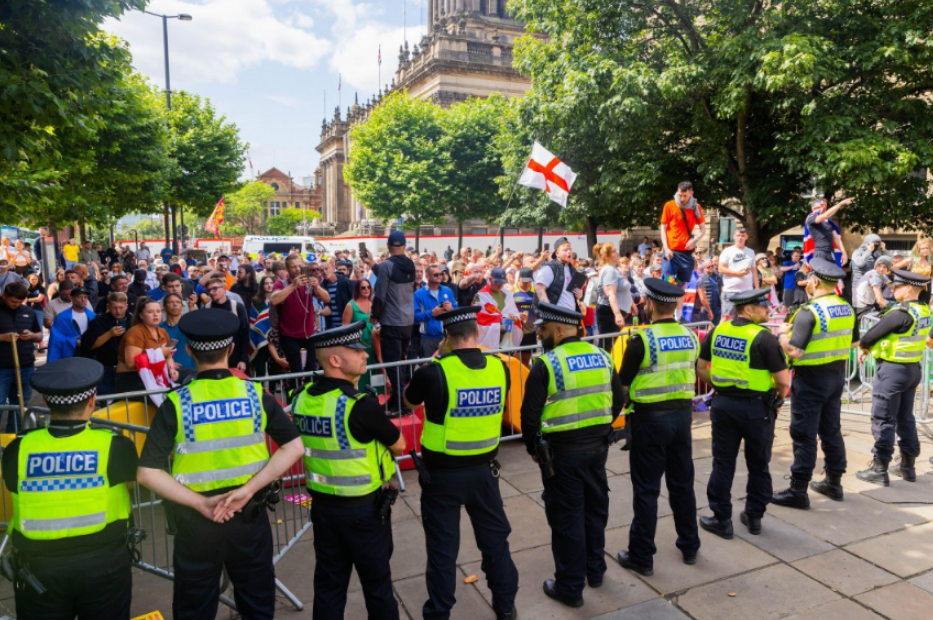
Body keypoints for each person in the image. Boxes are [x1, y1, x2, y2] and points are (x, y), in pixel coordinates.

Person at [137, 310, 304, 619]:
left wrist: (201, 504)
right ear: (230, 350)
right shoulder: (256, 394)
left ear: (189, 350)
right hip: (248, 515)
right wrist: (248, 490)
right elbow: (294, 447)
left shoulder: (176, 402)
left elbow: (147, 472)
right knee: (256, 603)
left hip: (197, 522)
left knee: (194, 607)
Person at [404, 306, 518, 620]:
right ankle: (505, 606)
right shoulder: (500, 369)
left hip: (442, 477)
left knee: (443, 550)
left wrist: (436, 359)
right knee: (495, 543)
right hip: (485, 473)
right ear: (477, 332)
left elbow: (409, 400)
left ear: (447, 338)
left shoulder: (434, 371)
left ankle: (439, 613)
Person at [3, 358, 138, 619]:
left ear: (44, 402)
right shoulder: (115, 445)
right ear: (92, 400)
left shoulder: (19, 448)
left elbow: (14, 487)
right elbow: (130, 485)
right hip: (104, 564)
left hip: (38, 570)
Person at [292, 321, 406, 620]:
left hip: (324, 509)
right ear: (335, 360)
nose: (365, 355)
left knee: (329, 586)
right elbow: (399, 446)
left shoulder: (302, 399)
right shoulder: (359, 405)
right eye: (357, 350)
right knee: (378, 588)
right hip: (363, 512)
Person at [520, 302, 623, 607]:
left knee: (568, 519)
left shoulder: (547, 364)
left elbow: (530, 416)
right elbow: (617, 399)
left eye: (544, 329)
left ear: (562, 330)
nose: (540, 333)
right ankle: (595, 570)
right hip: (597, 448)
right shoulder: (603, 356)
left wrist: (533, 450)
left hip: (562, 455)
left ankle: (570, 588)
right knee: (594, 510)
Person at [616, 279, 700, 576]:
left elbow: (623, 386)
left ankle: (641, 556)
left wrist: (615, 418)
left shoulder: (642, 339)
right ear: (675, 305)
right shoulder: (690, 337)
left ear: (650, 304)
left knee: (647, 490)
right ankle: (690, 545)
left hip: (649, 421)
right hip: (681, 420)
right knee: (682, 485)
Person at [696, 288, 790, 537]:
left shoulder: (718, 330)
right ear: (748, 309)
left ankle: (721, 520)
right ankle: (754, 516)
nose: (768, 309)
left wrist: (720, 387)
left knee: (723, 463)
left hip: (724, 406)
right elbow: (784, 382)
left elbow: (701, 367)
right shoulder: (765, 338)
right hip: (757, 409)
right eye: (763, 306)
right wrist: (777, 403)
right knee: (759, 464)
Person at [773, 259, 854, 508]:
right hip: (835, 377)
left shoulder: (809, 312)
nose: (807, 282)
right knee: (831, 430)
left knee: (804, 434)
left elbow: (795, 352)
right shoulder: (847, 307)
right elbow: (853, 343)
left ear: (815, 281)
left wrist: (782, 336)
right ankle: (834, 481)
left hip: (810, 381)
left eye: (808, 279)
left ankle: (798, 490)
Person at [855, 269, 931, 485]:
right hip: (911, 370)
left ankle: (879, 468)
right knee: (905, 417)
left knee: (883, 419)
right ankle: (908, 466)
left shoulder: (901, 313)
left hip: (892, 372)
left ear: (907, 288)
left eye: (896, 287)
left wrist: (865, 347)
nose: (893, 290)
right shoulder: (923, 310)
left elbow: (870, 335)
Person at [368, 231, 416, 416]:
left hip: (391, 321)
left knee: (392, 364)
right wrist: (372, 264)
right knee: (401, 364)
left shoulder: (387, 265)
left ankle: (401, 406)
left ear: (388, 247)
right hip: (407, 322)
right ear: (404, 246)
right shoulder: (410, 264)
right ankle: (397, 400)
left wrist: (374, 315)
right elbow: (388, 272)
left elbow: (379, 295)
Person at [272, 254, 331, 381]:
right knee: (296, 371)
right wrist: (293, 286)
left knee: (311, 369)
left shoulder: (309, 282)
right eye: (294, 267)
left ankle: (308, 396)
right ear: (287, 269)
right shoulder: (281, 283)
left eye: (300, 266)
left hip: (309, 334)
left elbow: (327, 298)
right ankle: (294, 396)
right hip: (289, 335)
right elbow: (274, 300)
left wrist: (317, 287)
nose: (298, 269)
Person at [659, 182, 706, 318]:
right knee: (667, 283)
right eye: (680, 195)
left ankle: (678, 317)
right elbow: (663, 228)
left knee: (681, 286)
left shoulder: (696, 207)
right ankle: (664, 316)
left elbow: (703, 229)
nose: (682, 198)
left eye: (685, 195)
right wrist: (666, 248)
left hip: (686, 253)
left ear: (691, 193)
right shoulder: (669, 205)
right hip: (671, 252)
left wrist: (695, 240)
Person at [114, 297, 177, 394]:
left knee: (190, 376)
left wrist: (172, 370)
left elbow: (168, 357)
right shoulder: (135, 332)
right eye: (150, 312)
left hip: (155, 375)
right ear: (141, 316)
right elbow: (131, 363)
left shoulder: (163, 332)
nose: (156, 315)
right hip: (131, 377)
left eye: (158, 311)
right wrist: (160, 352)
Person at [0, 283, 43, 420]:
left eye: (20, 302)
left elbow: (39, 335)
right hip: (2, 368)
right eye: (13, 301)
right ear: (4, 296)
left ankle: (14, 434)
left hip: (25, 366)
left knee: (20, 406)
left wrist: (32, 335)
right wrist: (1, 337)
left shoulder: (28, 311)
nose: (16, 305)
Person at [79, 291, 130, 396]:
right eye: (114, 307)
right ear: (108, 306)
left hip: (128, 371)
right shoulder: (99, 321)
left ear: (126, 306)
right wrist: (109, 334)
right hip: (107, 370)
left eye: (121, 307)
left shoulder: (133, 320)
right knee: (108, 405)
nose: (118, 311)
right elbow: (89, 345)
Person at [204, 276, 250, 373]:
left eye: (215, 288)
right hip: (215, 360)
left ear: (224, 288)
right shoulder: (207, 309)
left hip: (236, 358)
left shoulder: (237, 307)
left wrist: (243, 360)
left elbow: (245, 335)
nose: (212, 292)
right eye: (209, 290)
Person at [595, 245, 635, 351]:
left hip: (613, 311)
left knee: (610, 346)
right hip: (609, 312)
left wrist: (632, 304)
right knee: (606, 347)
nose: (617, 252)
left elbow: (622, 291)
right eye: (613, 251)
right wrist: (617, 314)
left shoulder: (614, 269)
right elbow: (610, 294)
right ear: (607, 256)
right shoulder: (609, 270)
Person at [414, 264, 458, 359]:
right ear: (427, 277)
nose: (439, 277)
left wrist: (451, 309)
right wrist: (432, 313)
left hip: (446, 338)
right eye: (435, 275)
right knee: (429, 369)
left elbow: (456, 311)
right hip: (428, 339)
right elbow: (415, 317)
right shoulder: (418, 294)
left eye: (440, 274)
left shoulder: (447, 291)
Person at [718, 227, 758, 319]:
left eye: (743, 236)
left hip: (747, 291)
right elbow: (721, 269)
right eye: (738, 235)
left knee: (746, 318)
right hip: (731, 291)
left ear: (746, 237)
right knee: (726, 318)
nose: (740, 238)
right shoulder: (727, 251)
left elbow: (754, 270)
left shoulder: (751, 252)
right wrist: (737, 273)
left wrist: (757, 288)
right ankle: (718, 333)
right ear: (734, 236)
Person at [48, 287, 94, 362]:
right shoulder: (61, 317)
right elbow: (55, 339)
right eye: (79, 297)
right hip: (71, 356)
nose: (83, 300)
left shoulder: (93, 316)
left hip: (89, 354)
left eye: (85, 297)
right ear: (72, 298)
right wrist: (72, 341)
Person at [534, 237, 581, 311]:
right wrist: (548, 309)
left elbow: (575, 295)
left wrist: (579, 294)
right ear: (557, 253)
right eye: (565, 250)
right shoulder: (550, 268)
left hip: (572, 315)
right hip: (557, 315)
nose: (569, 252)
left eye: (570, 249)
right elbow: (539, 288)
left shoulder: (573, 270)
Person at [806, 197, 851, 264]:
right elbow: (826, 215)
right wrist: (840, 204)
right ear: (814, 206)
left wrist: (844, 253)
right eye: (822, 205)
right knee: (820, 273)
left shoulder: (828, 222)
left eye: (825, 205)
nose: (824, 207)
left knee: (831, 273)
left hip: (830, 253)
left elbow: (836, 238)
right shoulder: (811, 218)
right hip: (820, 253)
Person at [512, 268, 537, 367]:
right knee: (515, 361)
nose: (527, 284)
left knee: (526, 361)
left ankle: (525, 381)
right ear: (519, 278)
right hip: (516, 330)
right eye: (525, 281)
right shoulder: (512, 289)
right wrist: (516, 315)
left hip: (530, 331)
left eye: (529, 281)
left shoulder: (535, 290)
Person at [321, 261, 352, 330]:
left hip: (347, 325)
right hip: (332, 327)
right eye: (322, 270)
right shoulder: (322, 286)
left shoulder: (345, 282)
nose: (324, 272)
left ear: (333, 268)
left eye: (326, 269)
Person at [695, 260, 721, 325]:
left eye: (712, 266)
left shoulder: (717, 276)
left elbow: (721, 290)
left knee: (715, 329)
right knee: (705, 330)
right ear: (704, 268)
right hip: (706, 309)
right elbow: (703, 298)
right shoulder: (701, 278)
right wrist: (709, 311)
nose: (711, 268)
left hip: (717, 308)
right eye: (708, 267)